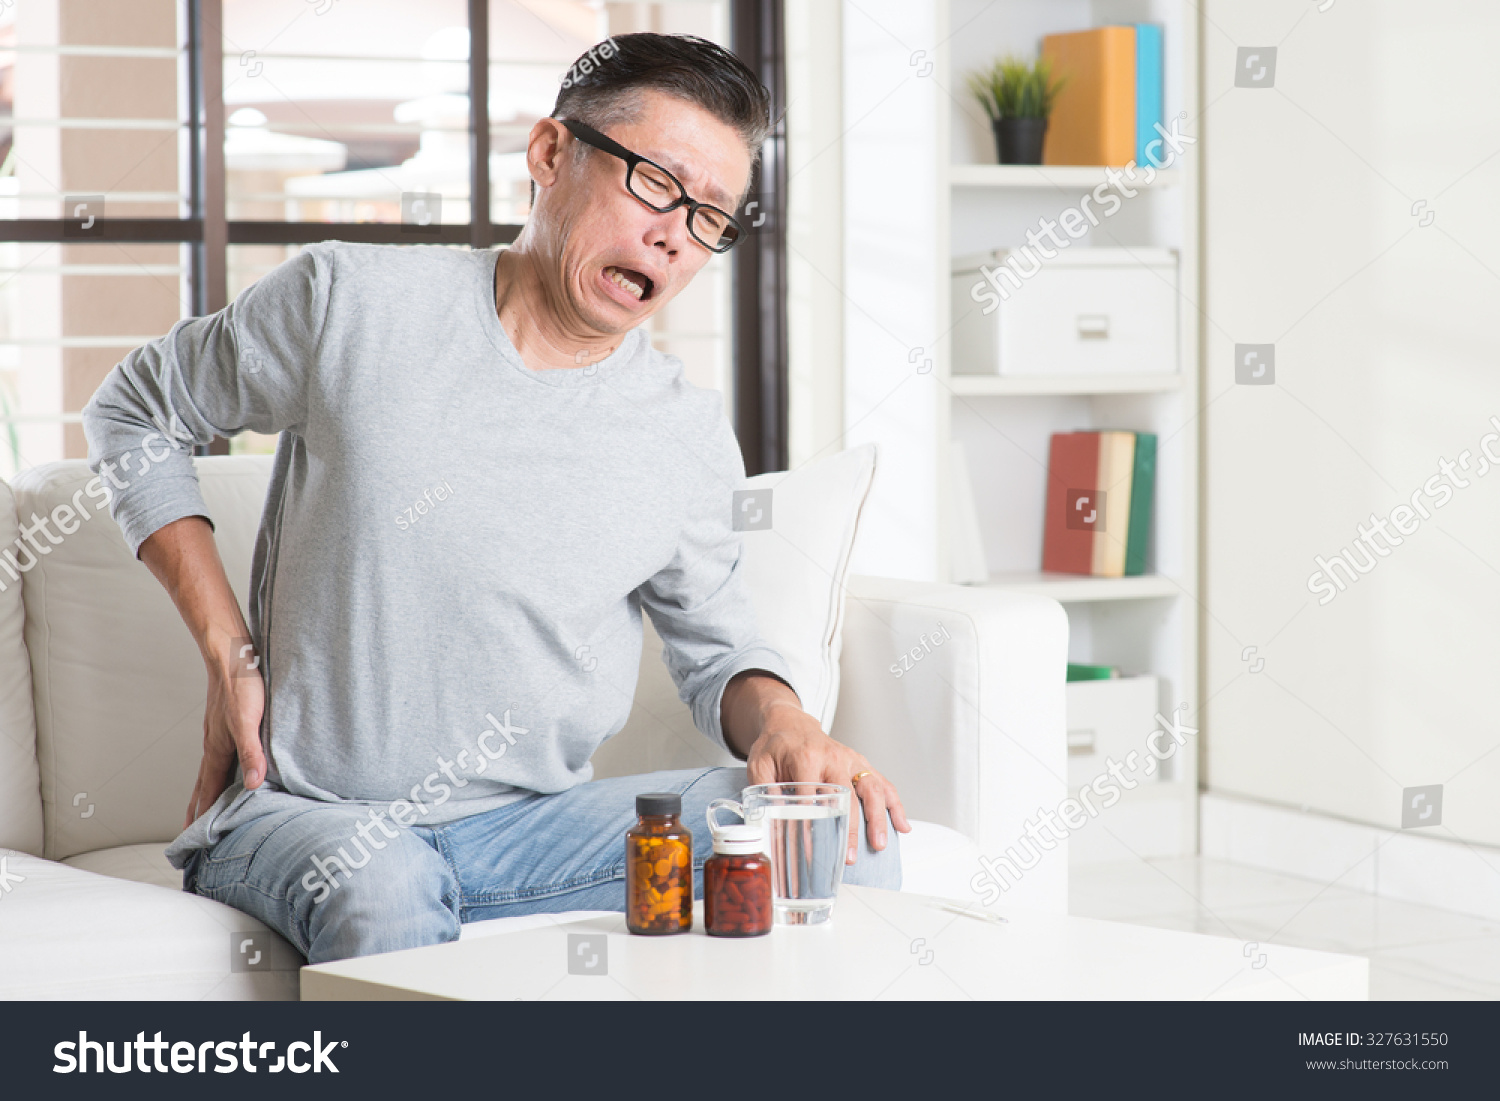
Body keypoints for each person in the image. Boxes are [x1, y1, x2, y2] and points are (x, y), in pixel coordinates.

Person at [82, 32, 908, 965]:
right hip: (311, 818)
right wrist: (228, 646)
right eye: (656, 183)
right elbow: (134, 408)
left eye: (713, 215)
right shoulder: (349, 303)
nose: (676, 234)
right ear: (552, 154)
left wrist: (788, 720)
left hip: (532, 835)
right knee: (389, 884)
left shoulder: (680, 433)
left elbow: (722, 658)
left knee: (838, 843)